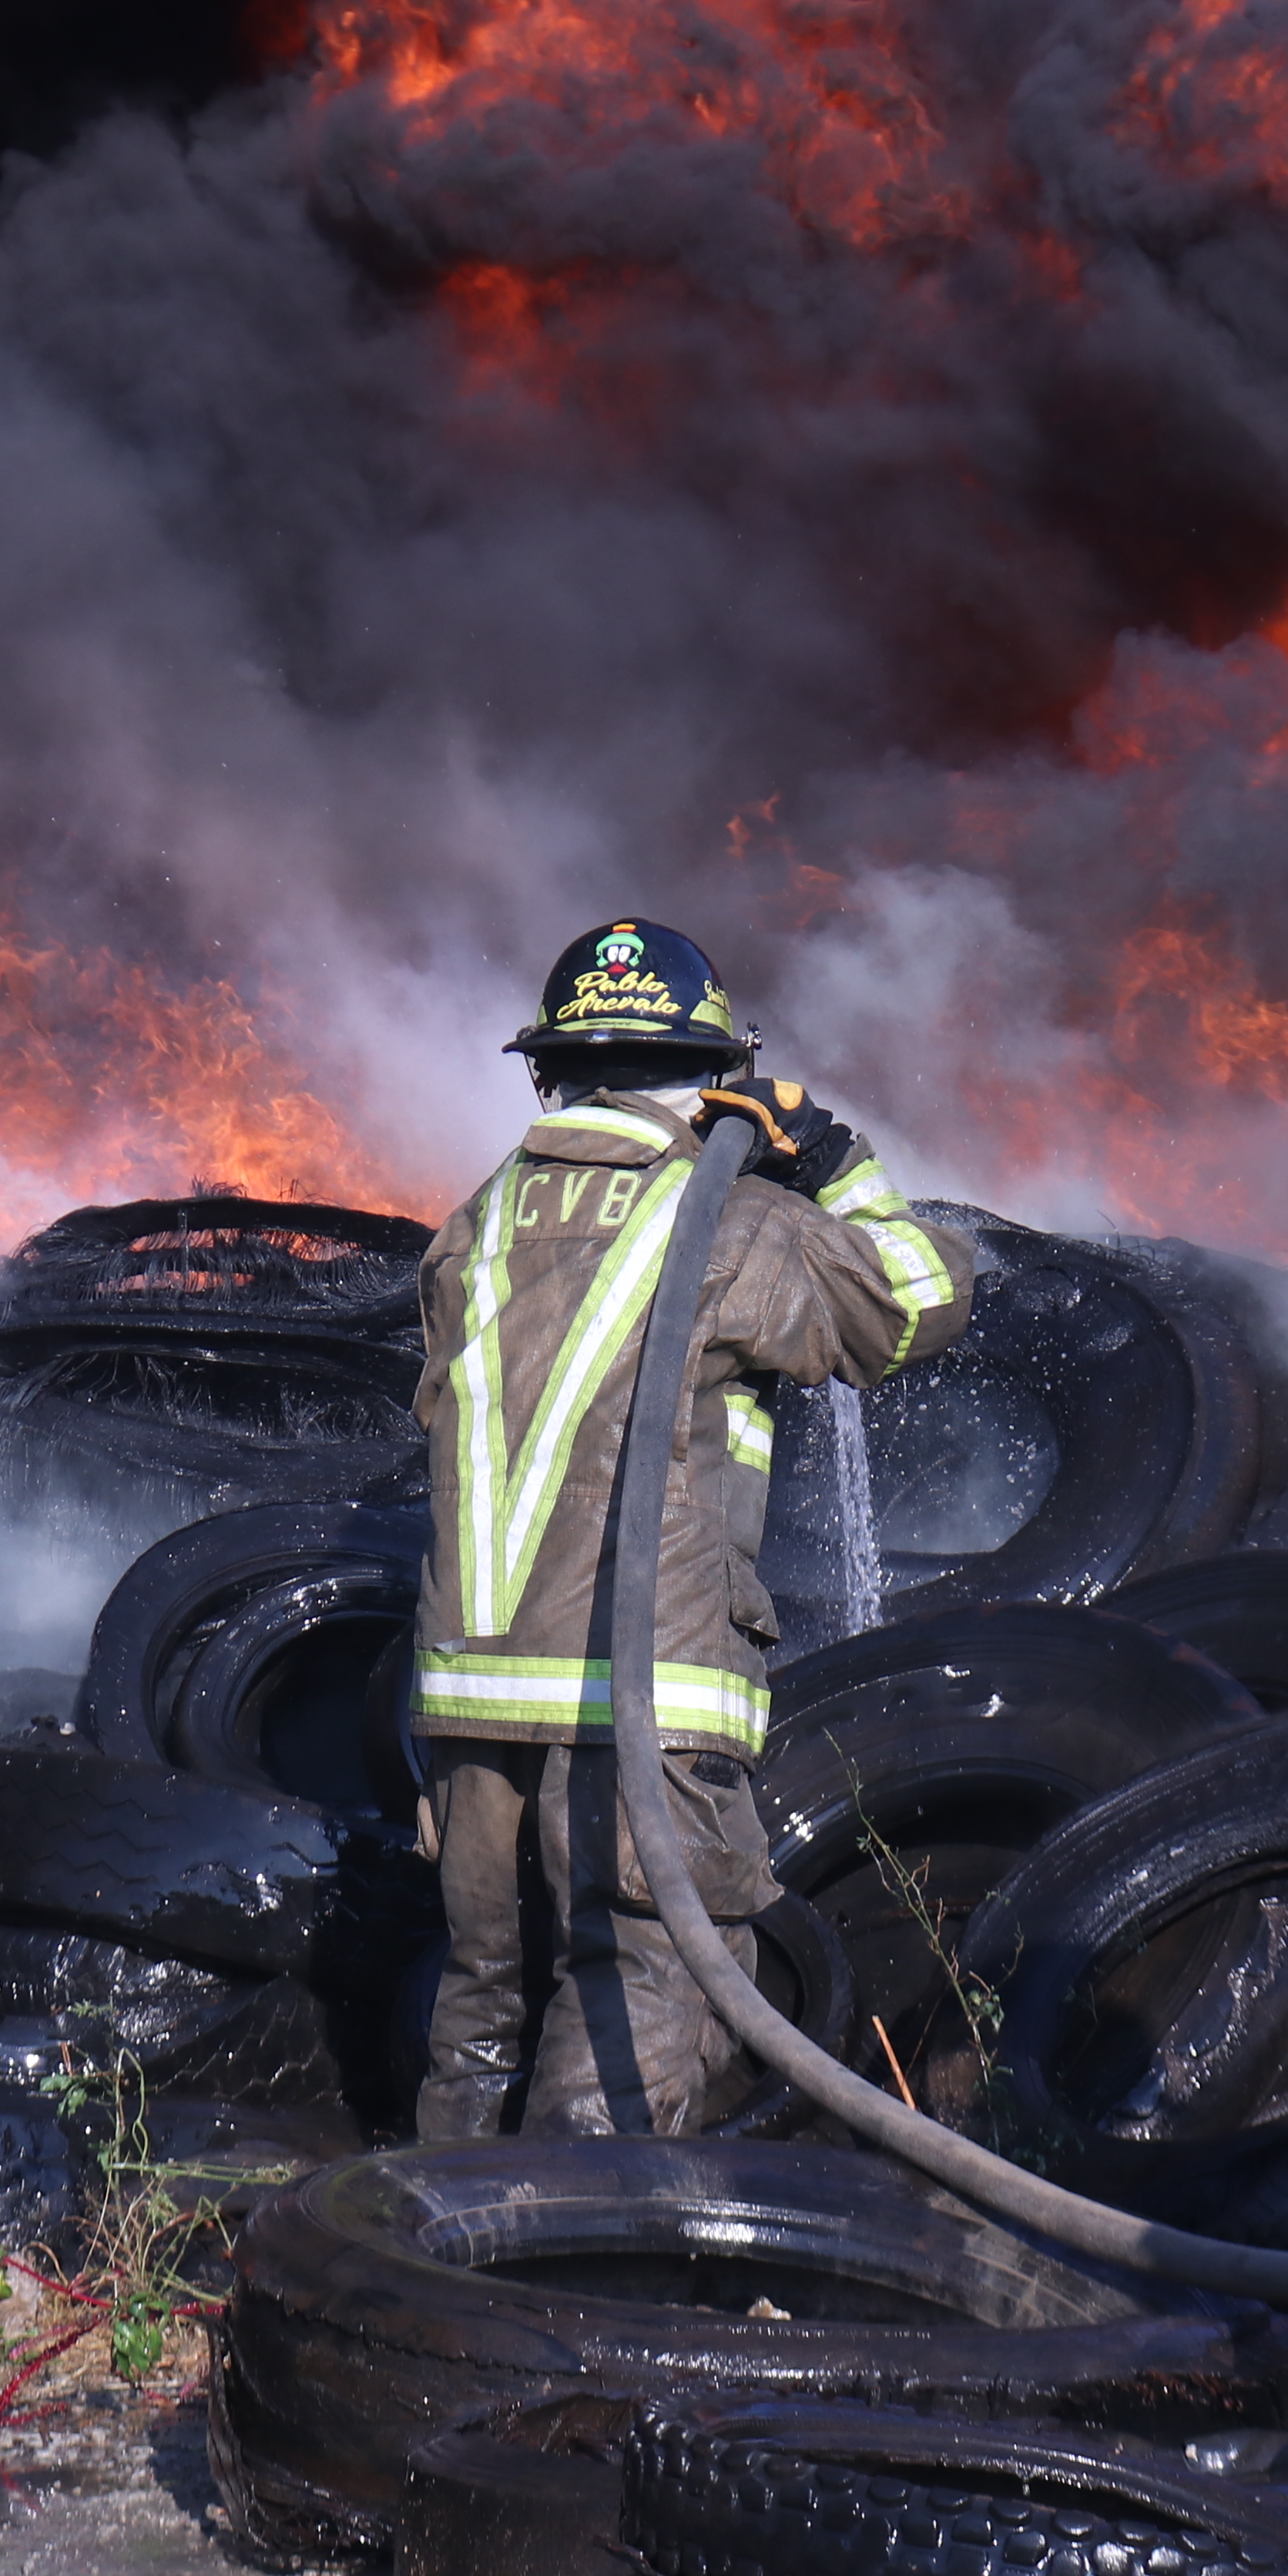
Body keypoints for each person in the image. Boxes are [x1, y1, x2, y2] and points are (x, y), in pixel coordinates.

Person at [406, 916, 974, 2139]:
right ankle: (573, 2298)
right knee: (632, 2010)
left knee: (480, 2014)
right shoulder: (730, 1225)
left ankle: (420, 2272)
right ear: (713, 1073)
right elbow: (922, 1296)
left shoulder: (475, 1226)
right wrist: (830, 1157)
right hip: (642, 1711)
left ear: (550, 1069)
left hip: (468, 1713)